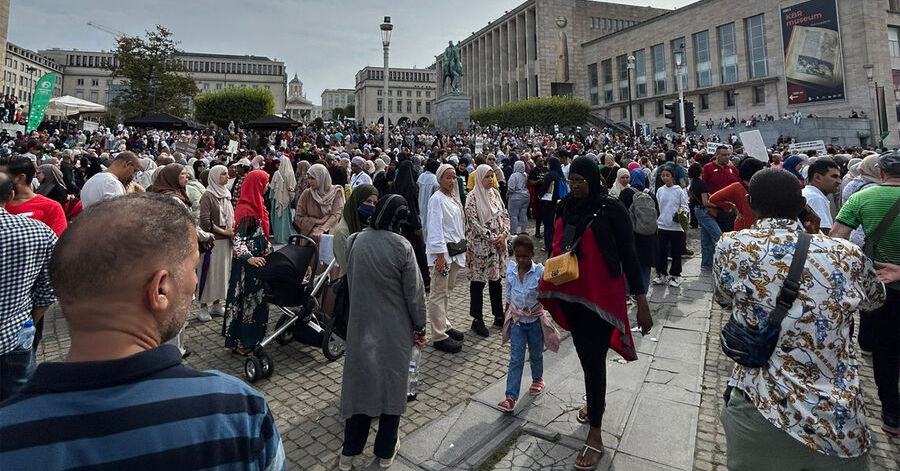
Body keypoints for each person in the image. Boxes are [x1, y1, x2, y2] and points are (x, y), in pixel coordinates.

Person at [0, 193, 285, 470]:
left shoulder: (11, 432)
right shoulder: (235, 411)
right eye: (193, 268)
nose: (195, 281)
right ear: (160, 289)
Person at [715, 168, 885, 469]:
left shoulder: (732, 246)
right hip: (837, 416)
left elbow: (725, 299)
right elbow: (874, 300)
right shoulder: (845, 253)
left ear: (751, 203)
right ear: (801, 205)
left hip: (761, 403)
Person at [538, 157, 652, 471]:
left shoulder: (612, 209)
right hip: (572, 295)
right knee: (587, 357)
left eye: (580, 180)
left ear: (592, 179)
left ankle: (596, 435)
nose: (575, 185)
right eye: (571, 179)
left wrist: (642, 303)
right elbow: (557, 245)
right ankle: (594, 403)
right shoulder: (564, 206)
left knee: (593, 358)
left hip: (601, 298)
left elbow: (630, 256)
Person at [338, 194, 427, 471]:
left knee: (360, 388)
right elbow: (415, 294)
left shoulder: (354, 241)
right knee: (392, 389)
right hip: (393, 330)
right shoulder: (402, 247)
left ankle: (348, 453)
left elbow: (351, 283)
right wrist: (420, 326)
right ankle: (386, 451)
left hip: (361, 327)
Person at [830, 151, 900, 436]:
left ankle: (892, 413)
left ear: (880, 174)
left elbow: (837, 239)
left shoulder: (861, 198)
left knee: (886, 352)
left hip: (880, 287)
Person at [0, 171, 56, 400]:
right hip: (13, 341)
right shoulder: (37, 232)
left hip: (14, 340)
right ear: (11, 196)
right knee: (17, 408)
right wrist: (27, 322)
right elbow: (49, 289)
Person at [497, 235, 560, 412]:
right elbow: (508, 296)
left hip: (534, 322)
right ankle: (510, 397)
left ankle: (537, 379)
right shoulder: (511, 271)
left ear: (532, 255)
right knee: (516, 359)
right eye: (518, 256)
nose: (521, 260)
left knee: (535, 354)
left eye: (525, 256)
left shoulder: (539, 272)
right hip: (517, 322)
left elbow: (548, 292)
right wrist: (506, 315)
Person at [225, 170, 272, 356]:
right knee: (248, 301)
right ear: (257, 184)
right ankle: (244, 342)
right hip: (249, 267)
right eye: (265, 182)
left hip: (259, 261)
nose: (268, 186)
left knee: (256, 300)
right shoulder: (246, 210)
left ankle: (251, 339)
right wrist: (249, 258)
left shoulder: (257, 205)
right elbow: (238, 241)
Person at [425, 163, 467, 354]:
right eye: (447, 177)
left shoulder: (452, 198)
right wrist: (440, 256)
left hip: (455, 251)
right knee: (438, 292)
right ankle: (438, 335)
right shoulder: (437, 199)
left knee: (446, 291)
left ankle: (445, 324)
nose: (451, 181)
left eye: (453, 177)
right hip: (443, 254)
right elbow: (435, 228)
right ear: (440, 179)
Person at [465, 164, 510, 337]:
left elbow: (505, 215)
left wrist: (504, 234)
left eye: (492, 176)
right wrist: (493, 237)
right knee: (478, 282)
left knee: (496, 280)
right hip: (480, 248)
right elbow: (474, 224)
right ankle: (477, 319)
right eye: (487, 177)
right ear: (479, 178)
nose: (490, 180)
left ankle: (498, 314)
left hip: (497, 247)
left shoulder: (495, 194)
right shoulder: (472, 198)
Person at [197, 165, 235, 321]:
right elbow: (205, 222)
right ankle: (203, 307)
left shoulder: (226, 194)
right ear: (214, 176)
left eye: (227, 174)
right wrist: (225, 232)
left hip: (226, 242)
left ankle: (217, 304)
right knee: (209, 274)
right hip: (213, 242)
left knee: (222, 274)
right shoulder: (208, 195)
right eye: (223, 174)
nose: (227, 177)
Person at [0, 155, 67, 236]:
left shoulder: (51, 208)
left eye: (2, 176)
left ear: (20, 178)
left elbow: (58, 245)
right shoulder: (2, 203)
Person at [390, 160, 431, 290]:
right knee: (418, 252)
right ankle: (425, 280)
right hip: (411, 226)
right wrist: (417, 225)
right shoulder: (410, 187)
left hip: (399, 225)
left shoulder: (394, 185)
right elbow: (412, 209)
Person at [617, 168, 657, 295]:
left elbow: (620, 215)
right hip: (649, 236)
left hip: (631, 236)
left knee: (629, 265)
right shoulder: (650, 194)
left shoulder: (626, 193)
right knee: (645, 267)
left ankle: (628, 292)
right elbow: (658, 214)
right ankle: (642, 293)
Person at [653, 167, 689, 287]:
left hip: (676, 227)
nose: (665, 178)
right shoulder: (660, 190)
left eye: (667, 175)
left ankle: (675, 275)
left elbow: (685, 206)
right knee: (661, 251)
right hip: (662, 225)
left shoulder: (679, 191)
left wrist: (680, 212)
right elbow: (657, 206)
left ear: (672, 177)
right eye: (663, 175)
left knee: (676, 252)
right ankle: (661, 274)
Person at [333, 184, 378, 277]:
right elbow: (346, 267)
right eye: (368, 201)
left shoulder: (370, 225)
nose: (371, 206)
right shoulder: (343, 232)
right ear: (357, 201)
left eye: (375, 203)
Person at [708, 158, 765, 232]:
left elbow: (713, 199)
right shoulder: (766, 186)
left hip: (742, 226)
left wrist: (732, 206)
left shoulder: (736, 187)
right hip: (762, 226)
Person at [294, 163, 345, 243]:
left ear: (321, 177)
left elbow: (336, 215)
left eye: (313, 178)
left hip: (330, 236)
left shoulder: (336, 192)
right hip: (310, 239)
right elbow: (298, 218)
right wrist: (317, 221)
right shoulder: (307, 194)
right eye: (308, 178)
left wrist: (321, 230)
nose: (309, 181)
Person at [688, 163, 721, 271]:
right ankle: (721, 261)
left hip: (697, 210)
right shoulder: (702, 184)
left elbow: (690, 194)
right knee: (718, 236)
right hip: (704, 210)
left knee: (706, 239)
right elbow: (705, 202)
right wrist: (718, 205)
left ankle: (706, 264)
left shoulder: (693, 182)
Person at [801, 158, 841, 233]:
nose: (839, 181)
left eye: (839, 177)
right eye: (834, 177)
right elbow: (822, 234)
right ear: (817, 177)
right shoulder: (816, 198)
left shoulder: (808, 193)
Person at [536, 156, 567, 252]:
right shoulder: (560, 175)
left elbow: (544, 188)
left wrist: (539, 196)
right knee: (554, 225)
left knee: (547, 226)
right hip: (557, 202)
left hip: (547, 202)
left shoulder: (549, 175)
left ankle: (548, 245)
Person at [270, 156, 297, 244]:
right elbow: (293, 187)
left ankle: (278, 237)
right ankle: (285, 236)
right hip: (286, 199)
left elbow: (272, 188)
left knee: (277, 218)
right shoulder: (290, 173)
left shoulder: (276, 173)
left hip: (277, 199)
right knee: (285, 219)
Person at [506, 160, 530, 235]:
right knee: (523, 214)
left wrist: (507, 194)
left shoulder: (514, 175)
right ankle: (523, 230)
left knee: (513, 215)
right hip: (525, 196)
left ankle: (514, 232)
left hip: (515, 197)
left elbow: (511, 188)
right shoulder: (525, 175)